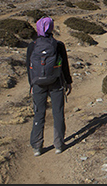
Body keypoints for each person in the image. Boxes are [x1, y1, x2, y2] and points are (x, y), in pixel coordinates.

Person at [26, 16, 72, 156]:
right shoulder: (58, 45)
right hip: (56, 82)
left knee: (39, 113)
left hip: (38, 84)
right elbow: (64, 66)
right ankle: (58, 144)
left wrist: (32, 84)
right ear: (51, 28)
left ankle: (37, 147)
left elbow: (29, 68)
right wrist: (68, 82)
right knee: (58, 113)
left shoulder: (32, 46)